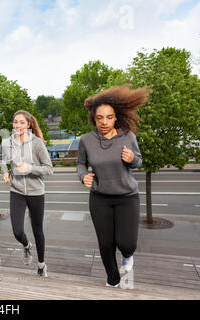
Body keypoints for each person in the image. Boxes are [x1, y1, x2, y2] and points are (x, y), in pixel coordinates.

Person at [76, 84, 148, 287]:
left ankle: (127, 256)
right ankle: (113, 280)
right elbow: (80, 164)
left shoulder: (128, 136)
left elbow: (139, 161)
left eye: (109, 117)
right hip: (100, 198)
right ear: (94, 118)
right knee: (106, 245)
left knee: (127, 243)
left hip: (127, 197)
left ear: (116, 117)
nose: (104, 122)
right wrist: (83, 176)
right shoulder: (86, 140)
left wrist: (132, 157)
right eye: (100, 117)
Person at [0, 110, 53, 276]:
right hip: (17, 190)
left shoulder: (36, 143)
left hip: (36, 192)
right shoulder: (7, 143)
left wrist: (30, 168)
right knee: (17, 231)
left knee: (38, 230)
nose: (18, 125)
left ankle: (41, 265)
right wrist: (5, 171)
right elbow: (1, 158)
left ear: (29, 125)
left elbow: (49, 169)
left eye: (22, 122)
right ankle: (27, 245)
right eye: (15, 122)